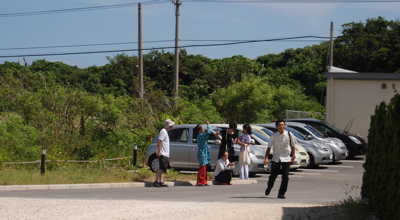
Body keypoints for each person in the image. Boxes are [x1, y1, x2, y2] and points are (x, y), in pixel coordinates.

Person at [264, 119, 297, 199]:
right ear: (277, 127)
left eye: (283, 125)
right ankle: (269, 187)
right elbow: (269, 147)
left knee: (285, 177)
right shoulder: (274, 136)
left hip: (286, 158)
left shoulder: (289, 134)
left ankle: (281, 193)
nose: (281, 127)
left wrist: (293, 157)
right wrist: (266, 157)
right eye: (279, 125)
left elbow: (293, 146)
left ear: (285, 126)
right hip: (276, 158)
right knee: (273, 176)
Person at [153, 119, 175, 187]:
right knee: (161, 168)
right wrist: (159, 151)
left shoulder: (165, 132)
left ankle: (161, 181)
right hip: (162, 152)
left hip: (165, 153)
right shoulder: (163, 131)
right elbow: (159, 141)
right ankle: (156, 181)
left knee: (162, 168)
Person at [194, 121, 212, 186]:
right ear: (199, 131)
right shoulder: (200, 135)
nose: (203, 129)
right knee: (202, 168)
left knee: (205, 168)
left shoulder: (202, 135)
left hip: (205, 153)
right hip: (202, 154)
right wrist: (208, 125)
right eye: (201, 128)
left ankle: (204, 181)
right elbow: (209, 132)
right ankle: (200, 181)